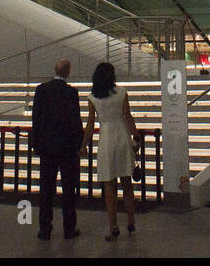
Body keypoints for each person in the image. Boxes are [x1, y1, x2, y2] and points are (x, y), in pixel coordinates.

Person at [81, 62, 139, 240]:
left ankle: (113, 226)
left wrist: (83, 145)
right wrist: (136, 135)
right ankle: (130, 221)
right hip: (121, 136)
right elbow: (127, 116)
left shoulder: (92, 97)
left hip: (105, 139)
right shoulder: (122, 93)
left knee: (109, 184)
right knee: (126, 182)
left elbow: (90, 125)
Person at [31, 58, 83, 240]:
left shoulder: (41, 90)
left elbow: (36, 119)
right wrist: (79, 145)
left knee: (46, 190)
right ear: (68, 72)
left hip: (47, 147)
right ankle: (69, 227)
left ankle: (45, 229)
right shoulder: (71, 93)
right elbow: (75, 122)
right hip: (67, 149)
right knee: (69, 189)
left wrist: (36, 143)